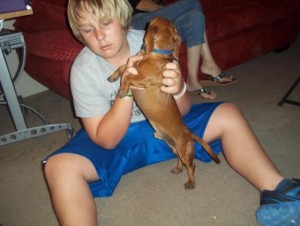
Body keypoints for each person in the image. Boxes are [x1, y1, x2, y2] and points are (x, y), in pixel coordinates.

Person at [43, 0, 300, 225]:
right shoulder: (83, 69)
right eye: (88, 30)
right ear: (79, 33)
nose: (100, 36)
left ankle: (279, 190)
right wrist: (128, 89)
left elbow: (183, 110)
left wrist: (178, 90)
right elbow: (105, 139)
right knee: (58, 167)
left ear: (122, 18)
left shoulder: (156, 40)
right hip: (118, 142)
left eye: (106, 23)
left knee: (229, 112)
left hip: (169, 129)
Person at [129, 0, 237, 100]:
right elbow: (140, 4)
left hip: (161, 24)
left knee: (196, 17)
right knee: (192, 2)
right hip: (137, 21)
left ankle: (193, 82)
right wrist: (172, 9)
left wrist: (172, 10)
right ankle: (208, 63)